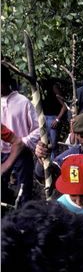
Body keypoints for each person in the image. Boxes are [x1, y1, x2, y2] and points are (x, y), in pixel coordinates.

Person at [1, 65, 40, 205]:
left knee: (24, 190)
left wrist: (24, 142)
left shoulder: (23, 102)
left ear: (5, 82)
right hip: (1, 153)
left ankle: (23, 219)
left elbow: (38, 129)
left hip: (21, 153)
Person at [41, 78, 67, 158]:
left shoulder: (53, 87)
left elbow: (64, 106)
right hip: (44, 118)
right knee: (44, 144)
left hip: (53, 118)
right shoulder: (41, 89)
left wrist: (57, 119)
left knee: (53, 145)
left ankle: (54, 165)